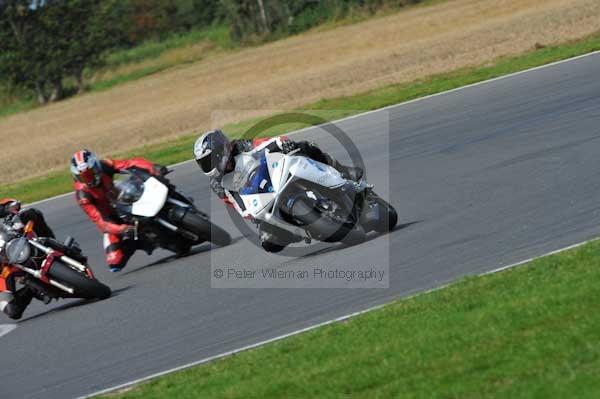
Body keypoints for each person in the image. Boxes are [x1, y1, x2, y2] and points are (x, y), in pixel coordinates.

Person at [193, 130, 362, 251]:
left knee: (304, 146)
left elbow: (269, 142)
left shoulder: (242, 146)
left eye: (208, 160)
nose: (207, 166)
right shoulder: (217, 184)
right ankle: (297, 230)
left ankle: (342, 170)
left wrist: (284, 143)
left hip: (277, 173)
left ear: (219, 151)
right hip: (262, 199)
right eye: (203, 163)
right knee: (268, 243)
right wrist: (252, 215)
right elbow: (236, 204)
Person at [70, 149, 167, 272]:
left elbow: (130, 164)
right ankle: (139, 242)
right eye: (84, 176)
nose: (89, 179)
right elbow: (100, 222)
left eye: (90, 173)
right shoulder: (82, 195)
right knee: (115, 262)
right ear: (77, 177)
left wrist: (152, 168)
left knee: (158, 180)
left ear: (96, 166)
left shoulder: (105, 165)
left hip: (125, 197)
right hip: (112, 218)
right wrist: (122, 229)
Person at [0, 198, 56, 320]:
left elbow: (8, 203)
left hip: (12, 244)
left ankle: (55, 245)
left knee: (30, 213)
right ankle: (32, 288)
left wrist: (10, 208)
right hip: (3, 272)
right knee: (12, 311)